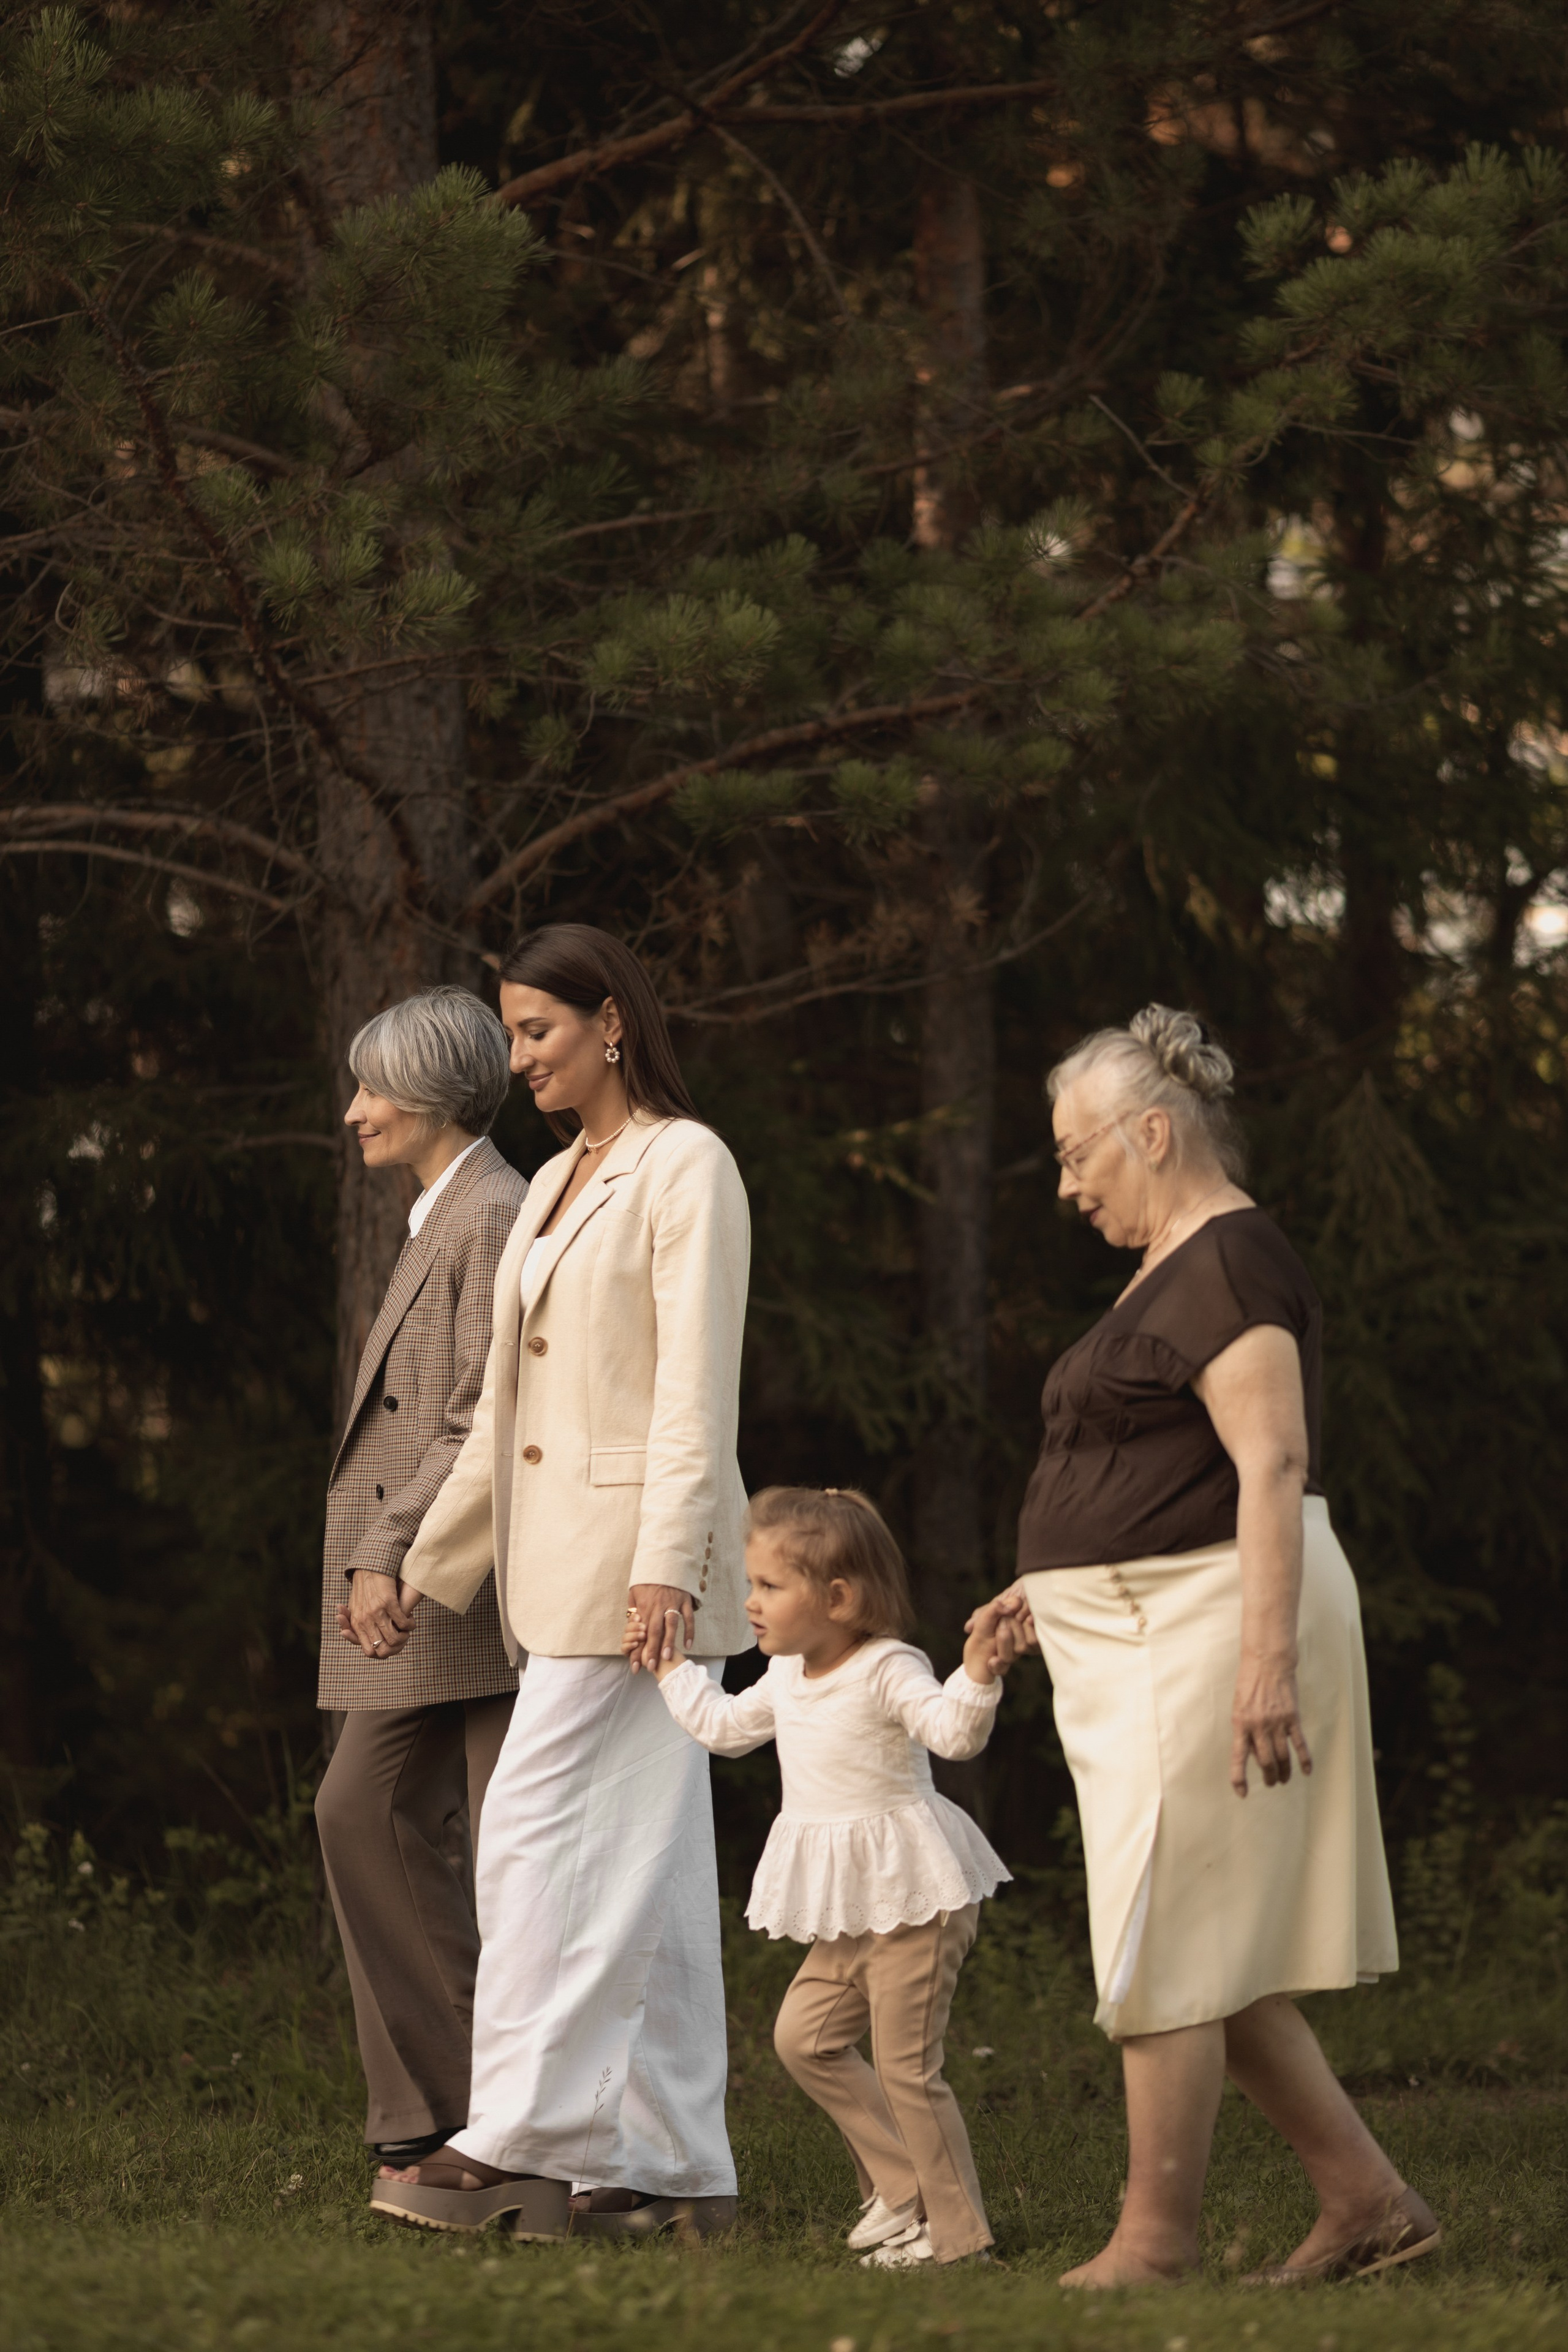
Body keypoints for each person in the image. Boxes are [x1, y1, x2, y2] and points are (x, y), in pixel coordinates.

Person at [982, 1005, 1435, 2290]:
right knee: (1199, 1938)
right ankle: (1365, 2204)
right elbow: (1136, 1465)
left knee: (1165, 1924)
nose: (1069, 1186)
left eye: (1079, 1155)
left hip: (1204, 1630)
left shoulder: (1229, 1262)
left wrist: (1262, 1662)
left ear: (1151, 1127)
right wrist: (1039, 1585)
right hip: (1132, 1632)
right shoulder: (1168, 1268)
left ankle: (1155, 2241)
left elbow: (1271, 1460)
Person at [367, 924, 751, 2246]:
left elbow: (696, 1393)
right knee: (647, 1870)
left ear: (611, 1026)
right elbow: (501, 1420)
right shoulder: (545, 1184)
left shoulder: (685, 1165)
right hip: (548, 1577)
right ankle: (670, 2165)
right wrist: (424, 1567)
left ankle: (517, 2128)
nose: (517, 1057)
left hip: (636, 1582)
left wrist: (667, 1572)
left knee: (528, 1839)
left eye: (537, 1031)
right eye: (513, 1032)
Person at [627, 1485, 1014, 2269]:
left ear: (838, 1598)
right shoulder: (787, 1677)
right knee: (803, 2039)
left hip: (915, 1897)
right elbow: (726, 1729)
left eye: (770, 1586)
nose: (751, 1601)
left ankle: (957, 2238)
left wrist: (976, 1673)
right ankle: (902, 2188)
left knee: (909, 2069)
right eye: (751, 1583)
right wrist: (671, 1670)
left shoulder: (886, 1667)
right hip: (852, 1908)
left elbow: (952, 1733)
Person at [315, 985, 526, 2174]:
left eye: (374, 1088)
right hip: (433, 1575)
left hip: (455, 1581)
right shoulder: (441, 1211)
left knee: (384, 1813)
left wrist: (384, 1550)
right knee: (394, 1820)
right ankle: (429, 2118)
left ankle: (476, 2113)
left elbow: (472, 1415)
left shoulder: (488, 1212)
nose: (353, 1111)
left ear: (438, 1094)